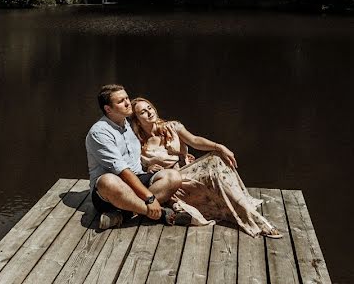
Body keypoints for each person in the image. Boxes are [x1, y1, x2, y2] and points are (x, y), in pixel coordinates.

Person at [129, 97, 283, 238]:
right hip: (169, 184)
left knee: (215, 158)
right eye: (143, 112)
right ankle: (255, 219)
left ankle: (250, 214)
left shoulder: (172, 127)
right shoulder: (137, 142)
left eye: (149, 108)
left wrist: (219, 146)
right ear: (137, 120)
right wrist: (147, 170)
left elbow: (194, 140)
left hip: (185, 173)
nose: (149, 112)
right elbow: (135, 170)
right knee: (214, 170)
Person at [85, 85, 192, 230]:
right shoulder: (100, 133)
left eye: (127, 98)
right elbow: (122, 171)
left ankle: (124, 214)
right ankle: (161, 214)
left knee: (173, 177)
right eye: (121, 101)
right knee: (108, 181)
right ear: (108, 109)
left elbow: (138, 153)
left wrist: (148, 166)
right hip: (110, 192)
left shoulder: (128, 125)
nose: (128, 103)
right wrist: (150, 197)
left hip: (138, 178)